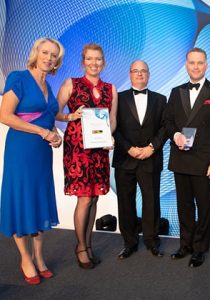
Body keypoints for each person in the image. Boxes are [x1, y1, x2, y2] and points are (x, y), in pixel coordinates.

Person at [0, 37, 64, 284]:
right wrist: (42, 132)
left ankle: (39, 256)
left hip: (42, 152)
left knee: (38, 200)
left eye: (53, 55)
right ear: (36, 53)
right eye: (45, 52)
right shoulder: (19, 77)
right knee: (21, 198)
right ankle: (25, 258)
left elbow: (48, 118)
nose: (49, 58)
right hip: (21, 149)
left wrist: (56, 134)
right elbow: (5, 116)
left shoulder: (48, 84)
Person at [165, 47, 210, 268]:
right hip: (180, 157)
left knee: (203, 206)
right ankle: (186, 245)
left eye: (200, 62)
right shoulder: (176, 91)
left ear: (206, 65)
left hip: (204, 160)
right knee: (184, 206)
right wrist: (175, 135)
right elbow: (168, 121)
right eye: (192, 62)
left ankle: (200, 249)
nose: (196, 66)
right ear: (186, 65)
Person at [56, 43, 118, 269]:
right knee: (83, 197)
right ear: (83, 62)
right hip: (77, 151)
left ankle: (88, 244)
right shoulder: (70, 84)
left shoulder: (111, 89)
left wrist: (108, 137)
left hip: (99, 151)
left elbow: (112, 121)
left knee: (94, 198)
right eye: (90, 59)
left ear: (104, 62)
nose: (94, 63)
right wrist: (71, 116)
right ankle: (80, 246)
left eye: (98, 59)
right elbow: (54, 112)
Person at [112, 60, 167, 260]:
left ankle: (153, 242)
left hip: (150, 158)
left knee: (151, 202)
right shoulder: (117, 98)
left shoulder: (161, 99)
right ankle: (129, 243)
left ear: (149, 74)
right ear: (130, 74)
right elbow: (113, 127)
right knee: (125, 202)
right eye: (136, 71)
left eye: (143, 71)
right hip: (125, 159)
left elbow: (165, 127)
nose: (140, 74)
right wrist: (129, 148)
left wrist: (151, 147)